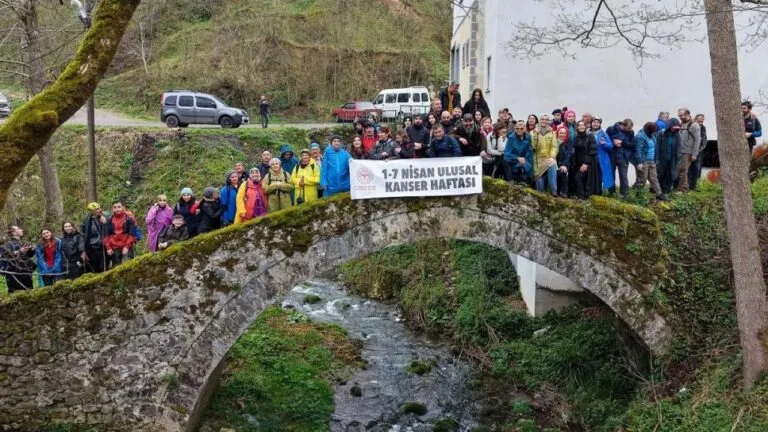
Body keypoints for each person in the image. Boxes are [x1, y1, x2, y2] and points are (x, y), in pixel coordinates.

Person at [634, 122, 667, 201]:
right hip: (643, 161)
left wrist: (655, 159)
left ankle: (659, 194)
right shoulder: (640, 137)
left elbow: (654, 148)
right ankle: (638, 195)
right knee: (642, 179)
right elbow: (638, 150)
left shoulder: (652, 136)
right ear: (648, 130)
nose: (653, 133)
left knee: (654, 178)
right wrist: (639, 162)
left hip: (652, 161)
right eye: (652, 131)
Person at [606, 119, 636, 198]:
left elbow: (632, 144)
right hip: (612, 155)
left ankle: (624, 194)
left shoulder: (631, 132)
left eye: (631, 128)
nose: (630, 130)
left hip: (623, 156)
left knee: (623, 176)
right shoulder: (611, 129)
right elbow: (605, 140)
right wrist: (613, 142)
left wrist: (622, 142)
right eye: (628, 128)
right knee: (611, 175)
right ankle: (611, 192)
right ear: (623, 125)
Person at [571, 121, 601, 199]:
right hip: (578, 163)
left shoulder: (590, 136)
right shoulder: (576, 137)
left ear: (585, 126)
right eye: (579, 125)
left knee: (578, 178)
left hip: (588, 163)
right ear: (577, 127)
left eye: (583, 125)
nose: (581, 127)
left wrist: (586, 163)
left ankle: (582, 198)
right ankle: (582, 195)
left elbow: (593, 151)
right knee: (582, 180)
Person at [0, 226, 35, 292]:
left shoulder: (21, 243)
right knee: (16, 295)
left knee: (28, 293)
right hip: (14, 275)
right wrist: (19, 251)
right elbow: (5, 257)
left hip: (25, 273)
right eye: (18, 229)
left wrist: (31, 250)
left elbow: (26, 257)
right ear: (14, 233)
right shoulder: (7, 244)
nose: (21, 230)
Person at [532, 115, 559, 195]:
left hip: (548, 158)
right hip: (537, 160)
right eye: (542, 119)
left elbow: (554, 146)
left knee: (552, 164)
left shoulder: (552, 132)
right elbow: (533, 147)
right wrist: (536, 135)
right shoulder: (533, 132)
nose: (544, 121)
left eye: (546, 120)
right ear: (539, 121)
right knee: (540, 185)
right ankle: (541, 195)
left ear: (548, 121)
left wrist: (552, 156)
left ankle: (553, 190)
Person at [105, 201, 137, 268]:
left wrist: (127, 246)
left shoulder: (129, 218)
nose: (117, 209)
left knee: (129, 267)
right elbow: (106, 235)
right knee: (116, 268)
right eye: (115, 207)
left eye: (119, 207)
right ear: (112, 209)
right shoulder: (109, 220)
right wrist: (108, 248)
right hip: (114, 247)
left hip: (127, 245)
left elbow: (132, 234)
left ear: (123, 207)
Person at [677, 108, 701, 193]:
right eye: (679, 115)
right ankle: (681, 188)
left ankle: (683, 189)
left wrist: (694, 154)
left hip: (688, 152)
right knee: (681, 170)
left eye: (681, 115)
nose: (680, 117)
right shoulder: (682, 124)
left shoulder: (694, 125)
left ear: (687, 114)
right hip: (680, 151)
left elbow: (697, 140)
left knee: (684, 170)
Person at [80, 202, 108, 273]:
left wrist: (105, 222)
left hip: (104, 248)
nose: (100, 210)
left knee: (104, 269)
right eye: (97, 209)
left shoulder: (105, 216)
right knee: (93, 270)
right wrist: (83, 250)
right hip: (92, 249)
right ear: (91, 211)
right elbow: (82, 236)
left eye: (100, 208)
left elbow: (111, 228)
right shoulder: (86, 221)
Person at [655, 118, 681, 194]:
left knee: (670, 174)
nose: (674, 129)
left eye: (676, 128)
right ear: (669, 126)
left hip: (672, 159)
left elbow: (678, 147)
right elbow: (657, 147)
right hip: (662, 158)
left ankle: (666, 190)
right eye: (674, 127)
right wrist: (657, 159)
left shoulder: (677, 135)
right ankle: (659, 190)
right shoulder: (661, 133)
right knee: (661, 173)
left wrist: (678, 158)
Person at [590, 117, 615, 193]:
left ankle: (601, 191)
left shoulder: (604, 134)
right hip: (591, 158)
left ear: (600, 124)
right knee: (592, 175)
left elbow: (611, 146)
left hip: (602, 159)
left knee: (601, 175)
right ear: (591, 123)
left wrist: (604, 144)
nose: (596, 124)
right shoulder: (588, 133)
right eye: (594, 122)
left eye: (597, 122)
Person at [689, 114, 707, 190]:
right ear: (695, 119)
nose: (700, 123)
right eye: (699, 121)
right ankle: (688, 185)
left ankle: (694, 185)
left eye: (702, 121)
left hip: (699, 152)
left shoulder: (703, 128)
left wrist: (700, 149)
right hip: (690, 151)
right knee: (689, 168)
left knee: (697, 168)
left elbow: (704, 139)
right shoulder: (692, 126)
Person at [555, 127, 571, 197]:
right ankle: (556, 191)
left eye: (564, 133)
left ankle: (564, 193)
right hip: (554, 163)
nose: (562, 135)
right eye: (561, 133)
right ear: (557, 133)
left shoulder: (569, 143)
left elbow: (568, 155)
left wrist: (564, 165)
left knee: (563, 172)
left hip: (565, 164)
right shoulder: (554, 142)